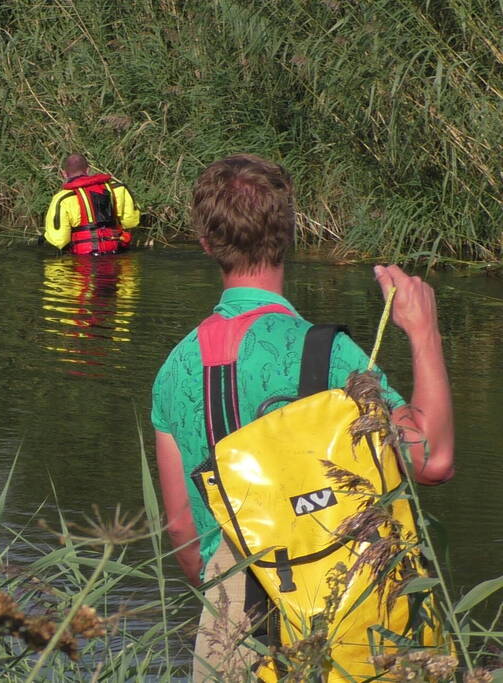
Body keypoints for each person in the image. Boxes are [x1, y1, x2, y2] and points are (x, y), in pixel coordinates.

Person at [149, 154, 454, 681]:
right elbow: (431, 459)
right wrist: (424, 332)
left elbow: (180, 527)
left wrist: (231, 599)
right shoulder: (329, 355)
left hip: (230, 619)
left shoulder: (174, 370)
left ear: (206, 244)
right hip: (340, 610)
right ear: (289, 233)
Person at [43, 154, 140, 254]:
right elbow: (131, 222)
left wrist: (45, 236)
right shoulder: (118, 189)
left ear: (63, 174)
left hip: (84, 257)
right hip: (117, 251)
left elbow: (60, 240)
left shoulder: (62, 198)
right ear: (88, 170)